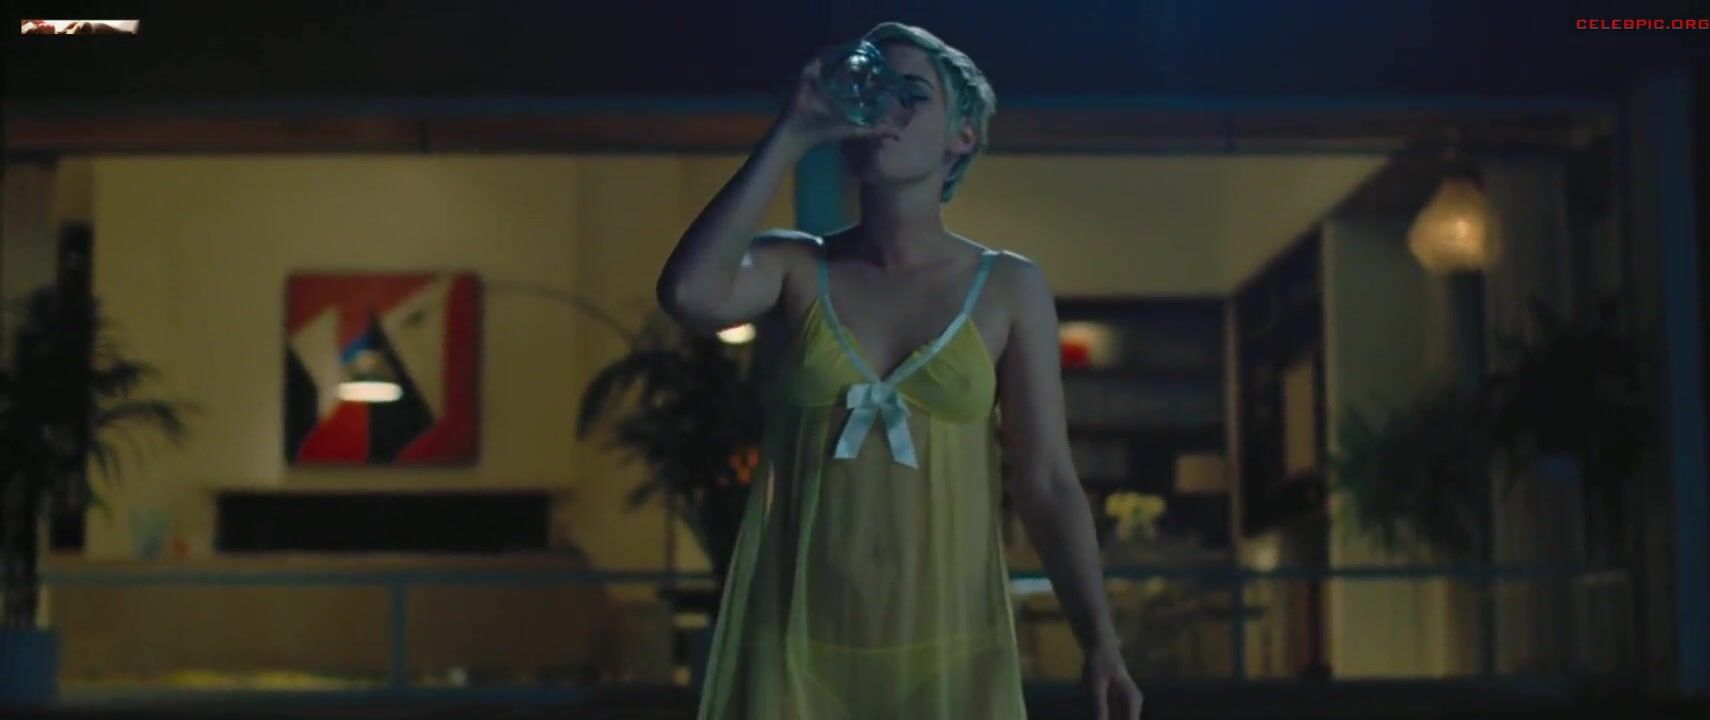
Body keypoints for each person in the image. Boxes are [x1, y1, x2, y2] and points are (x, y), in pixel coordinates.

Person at [657, 21, 1144, 720]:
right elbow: (688, 294)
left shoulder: (1008, 286)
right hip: (796, 644)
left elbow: (1046, 481)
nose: (887, 109)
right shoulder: (797, 265)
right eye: (875, 91)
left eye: (912, 93)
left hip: (949, 649)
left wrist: (1100, 642)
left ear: (962, 136)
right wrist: (793, 132)